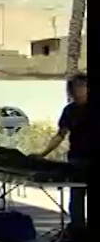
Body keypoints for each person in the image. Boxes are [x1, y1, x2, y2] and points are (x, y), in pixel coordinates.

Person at [35, 73, 88, 229]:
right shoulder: (69, 110)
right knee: (76, 198)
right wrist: (43, 154)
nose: (76, 91)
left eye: (80, 87)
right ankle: (77, 231)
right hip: (77, 159)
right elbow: (60, 135)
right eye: (73, 88)